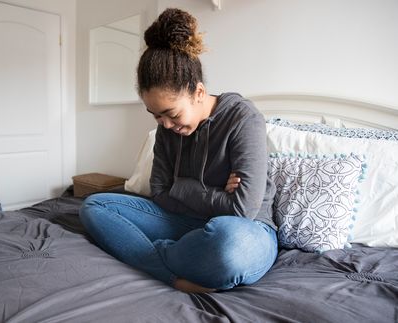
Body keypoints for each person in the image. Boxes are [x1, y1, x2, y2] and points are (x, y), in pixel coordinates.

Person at [79, 8, 278, 293]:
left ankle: (147, 253)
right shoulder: (166, 129)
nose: (165, 124)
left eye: (171, 113)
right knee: (95, 206)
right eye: (155, 115)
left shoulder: (243, 118)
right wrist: (215, 192)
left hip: (246, 230)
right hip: (183, 223)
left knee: (227, 245)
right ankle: (169, 271)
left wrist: (181, 188)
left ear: (198, 92)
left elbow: (242, 209)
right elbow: (159, 192)